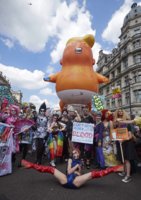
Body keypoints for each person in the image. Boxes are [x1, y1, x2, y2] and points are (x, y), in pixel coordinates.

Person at [21, 148, 123, 189]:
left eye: (76, 152)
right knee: (50, 169)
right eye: (73, 152)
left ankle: (114, 169)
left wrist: (79, 168)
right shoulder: (70, 160)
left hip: (76, 182)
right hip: (66, 179)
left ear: (79, 154)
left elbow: (79, 174)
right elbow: (69, 171)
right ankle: (30, 165)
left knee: (93, 174)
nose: (74, 154)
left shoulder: (81, 162)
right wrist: (76, 166)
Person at [114, 109, 137, 183]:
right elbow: (116, 134)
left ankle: (128, 175)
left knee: (127, 160)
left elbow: (130, 136)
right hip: (121, 144)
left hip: (127, 144)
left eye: (121, 112)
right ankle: (125, 171)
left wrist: (123, 140)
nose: (120, 113)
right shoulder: (117, 126)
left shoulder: (128, 124)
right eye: (118, 112)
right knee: (123, 159)